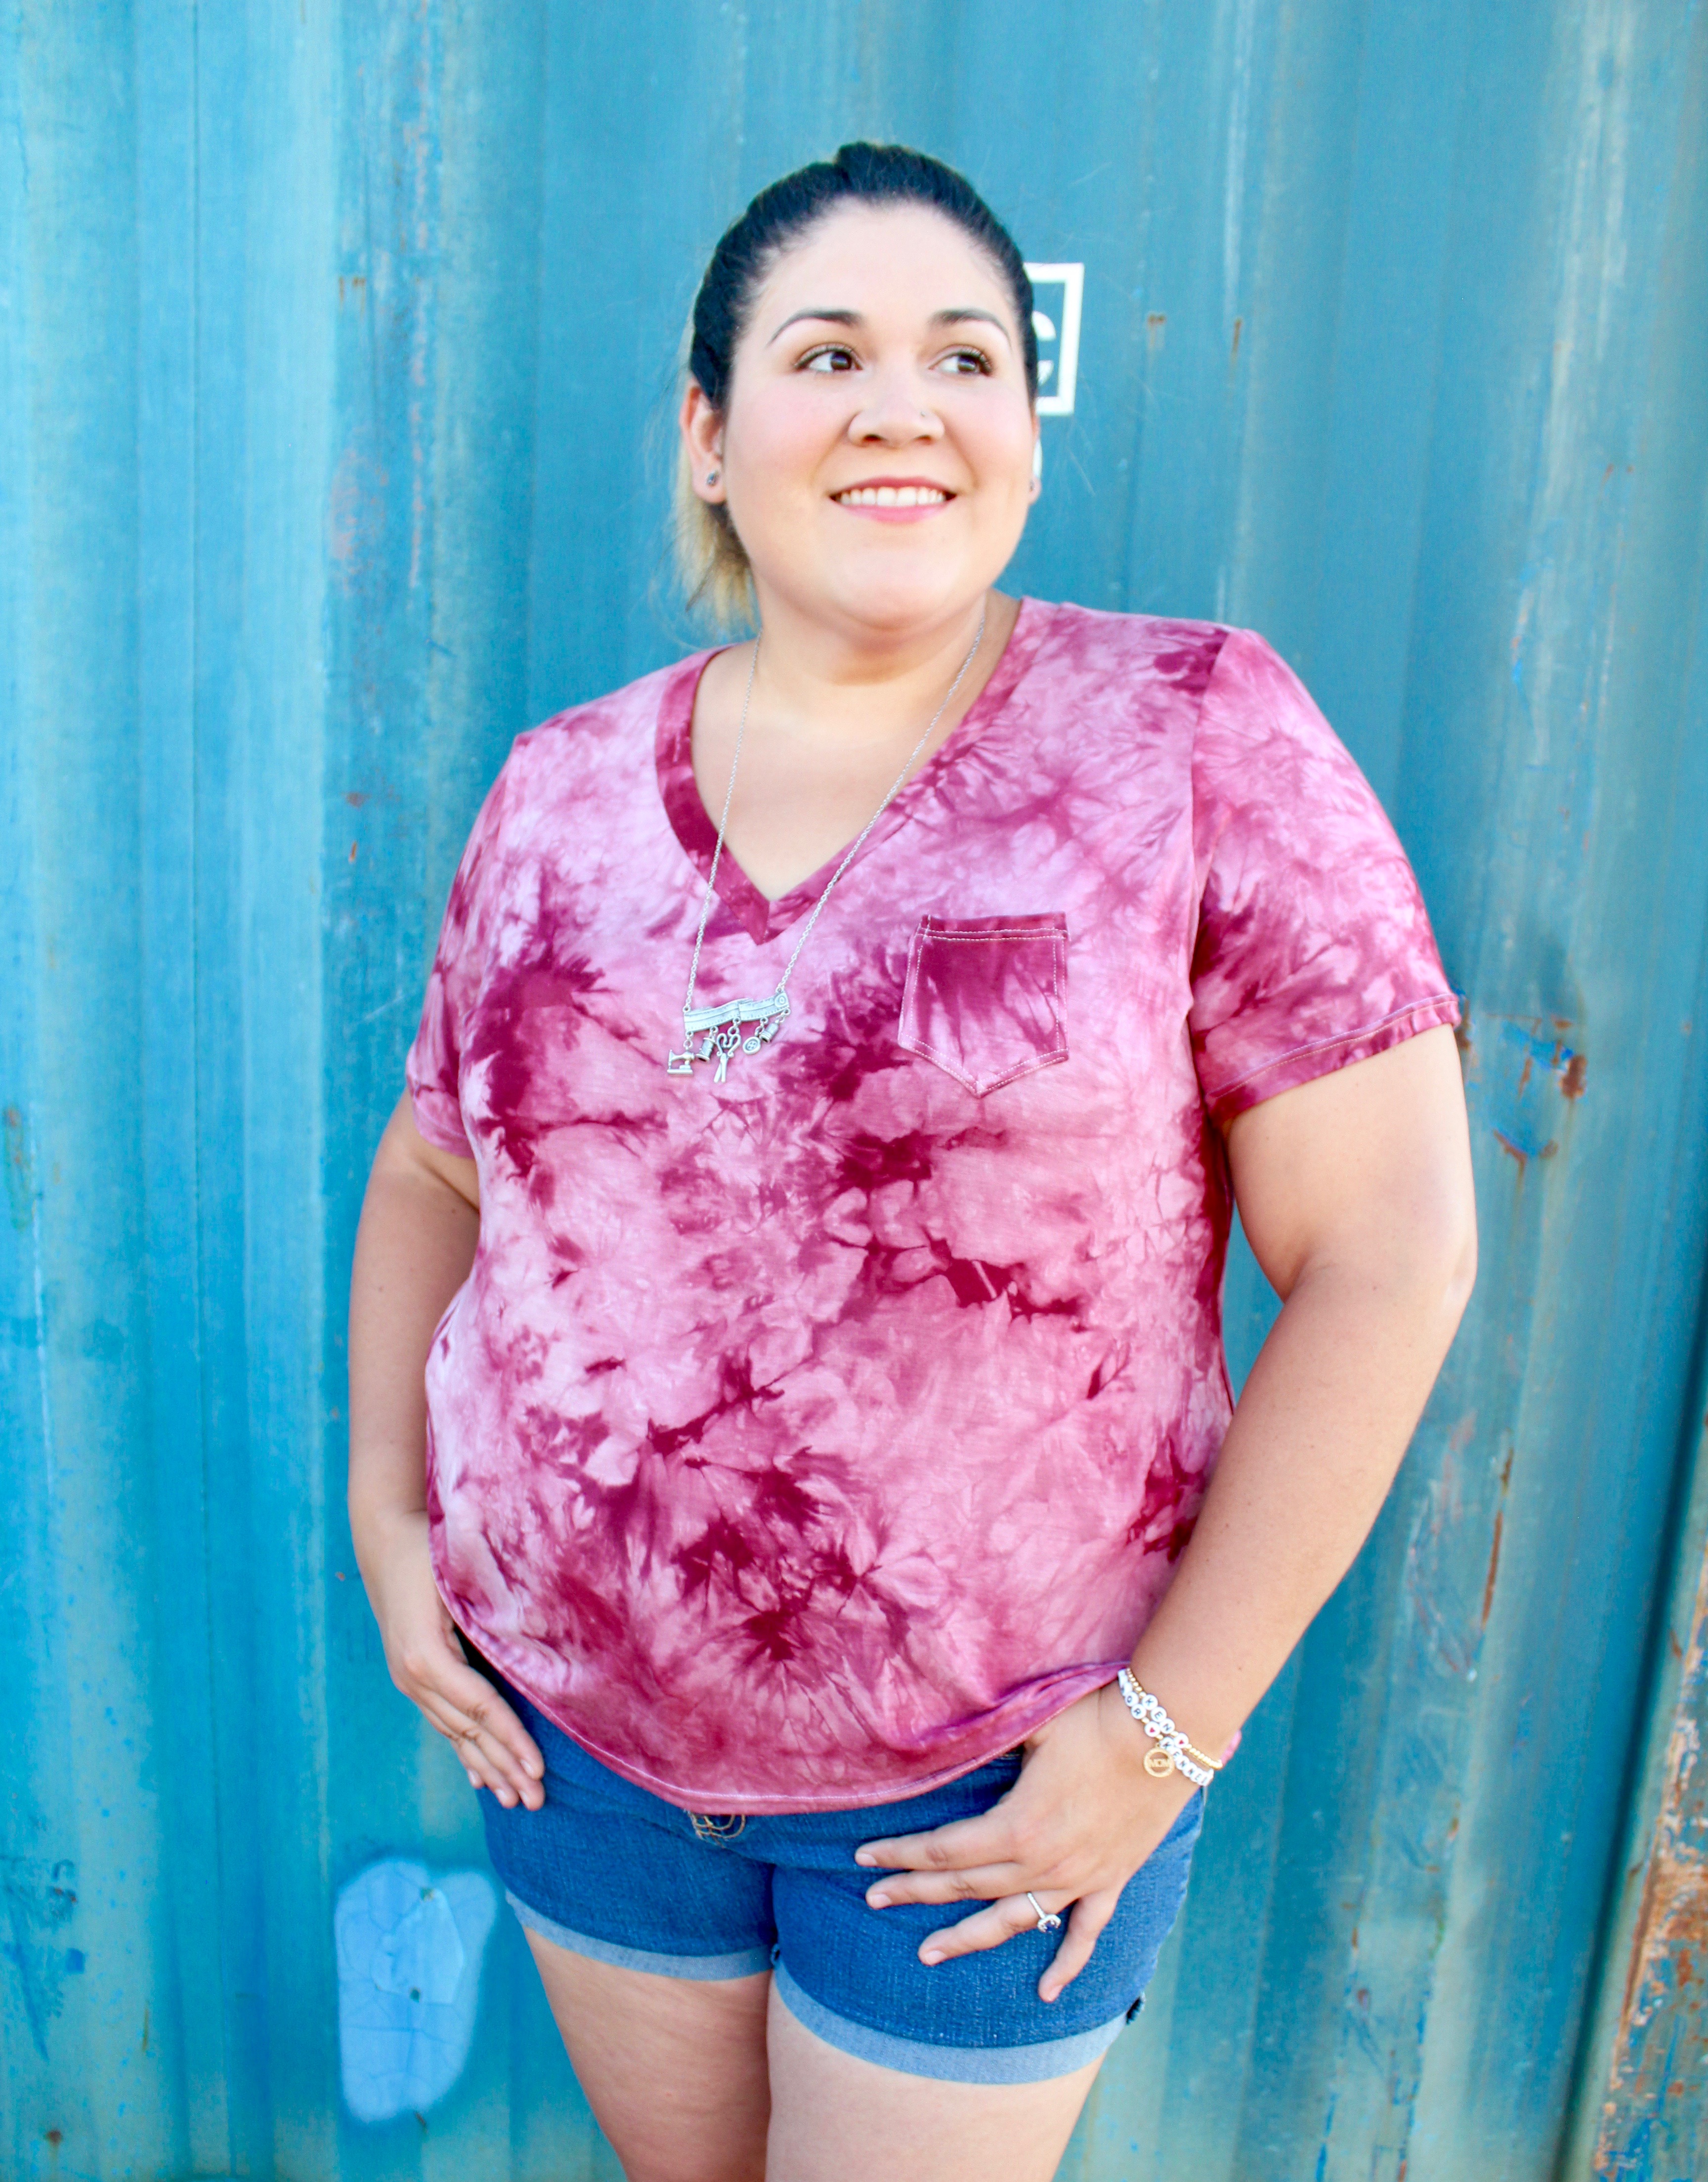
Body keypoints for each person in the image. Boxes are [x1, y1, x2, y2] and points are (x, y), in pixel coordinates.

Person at [347, 143, 1477, 2182]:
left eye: (967, 357)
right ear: (710, 437)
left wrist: (1164, 1739)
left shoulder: (1188, 736)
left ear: (1024, 435)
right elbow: (438, 1173)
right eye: (828, 354)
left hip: (987, 1792)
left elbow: (1391, 1254)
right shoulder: (561, 791)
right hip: (575, 1746)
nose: (904, 404)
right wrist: (388, 1515)